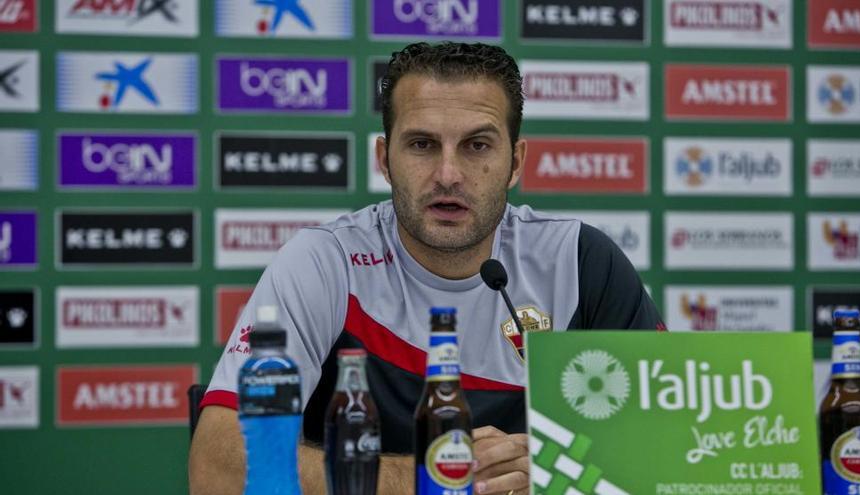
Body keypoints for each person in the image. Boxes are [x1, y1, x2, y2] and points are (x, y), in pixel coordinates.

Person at [189, 42, 665, 495]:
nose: (448, 174)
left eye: (477, 146)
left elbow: (671, 443)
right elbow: (219, 470)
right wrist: (436, 478)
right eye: (421, 144)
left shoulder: (580, 261)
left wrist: (557, 473)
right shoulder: (324, 263)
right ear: (385, 160)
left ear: (515, 163)